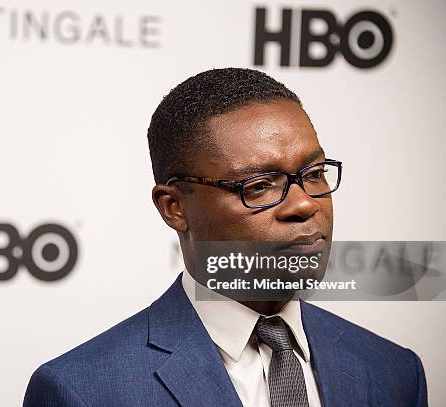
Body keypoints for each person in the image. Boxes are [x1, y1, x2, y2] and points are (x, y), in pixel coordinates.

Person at [22, 68, 427, 406]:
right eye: (259, 185)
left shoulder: (393, 371)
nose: (304, 205)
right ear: (174, 208)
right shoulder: (83, 391)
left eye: (315, 173)